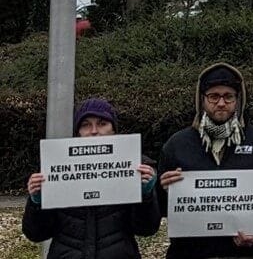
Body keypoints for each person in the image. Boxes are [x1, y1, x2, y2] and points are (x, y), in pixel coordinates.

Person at [157, 62, 253, 258]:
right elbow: (158, 210)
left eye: (228, 96)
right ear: (202, 99)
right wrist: (161, 188)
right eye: (214, 96)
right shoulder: (177, 144)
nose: (221, 103)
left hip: (240, 254)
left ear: (238, 99)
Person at [22, 98, 161, 259]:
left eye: (102, 123)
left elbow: (147, 229)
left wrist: (145, 195)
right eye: (86, 124)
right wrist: (37, 202)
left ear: (113, 130)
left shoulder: (135, 169)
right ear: (78, 132)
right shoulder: (55, 169)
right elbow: (36, 234)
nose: (94, 131)